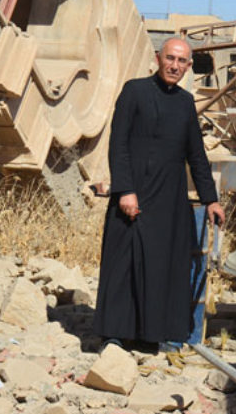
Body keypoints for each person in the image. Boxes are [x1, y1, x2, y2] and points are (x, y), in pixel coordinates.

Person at [93, 37, 225, 351]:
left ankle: (156, 334)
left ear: (188, 66)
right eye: (170, 58)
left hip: (169, 199)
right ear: (157, 58)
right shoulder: (134, 91)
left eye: (181, 61)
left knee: (162, 267)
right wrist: (125, 190)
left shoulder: (185, 102)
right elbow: (118, 143)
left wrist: (210, 199)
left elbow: (196, 155)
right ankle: (116, 332)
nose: (174, 66)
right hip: (134, 194)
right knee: (124, 264)